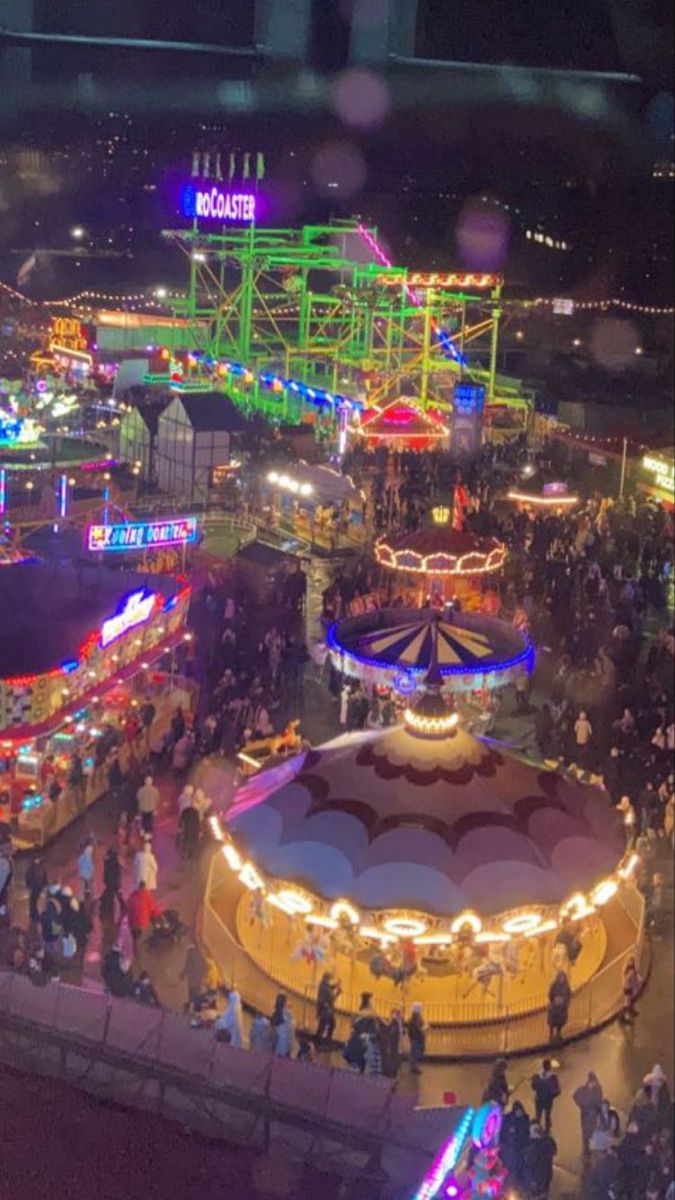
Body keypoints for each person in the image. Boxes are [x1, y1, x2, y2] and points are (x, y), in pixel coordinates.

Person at [500, 1100, 531, 1188]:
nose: (519, 1113)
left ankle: (516, 1183)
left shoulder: (525, 1119)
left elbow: (526, 1133)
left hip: (519, 1148)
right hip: (510, 1148)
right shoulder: (508, 1119)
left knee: (518, 1166)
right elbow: (503, 1132)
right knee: (509, 1167)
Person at [573, 1071, 604, 1157]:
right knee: (586, 1130)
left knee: (590, 1130)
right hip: (587, 1112)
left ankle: (588, 1148)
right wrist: (581, 1104)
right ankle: (586, 1149)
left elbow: (599, 1100)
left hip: (591, 1112)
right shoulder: (584, 1088)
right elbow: (575, 1095)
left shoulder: (597, 1088)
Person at [522, 1123, 556, 1198]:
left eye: (531, 1133)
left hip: (536, 1179)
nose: (530, 1134)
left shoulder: (534, 1147)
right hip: (545, 1178)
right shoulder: (547, 1143)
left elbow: (531, 1164)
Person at [126, 880, 161, 947]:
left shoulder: (132, 896)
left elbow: (128, 910)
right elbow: (153, 910)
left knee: (136, 942)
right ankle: (142, 956)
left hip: (133, 926)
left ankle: (136, 955)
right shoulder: (147, 896)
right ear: (144, 887)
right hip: (143, 924)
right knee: (143, 943)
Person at [531, 1058, 561, 1132]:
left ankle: (538, 1130)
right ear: (549, 1067)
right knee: (546, 1115)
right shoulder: (553, 1077)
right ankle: (546, 1131)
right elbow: (558, 1090)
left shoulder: (537, 1076)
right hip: (547, 1100)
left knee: (539, 1115)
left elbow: (533, 1087)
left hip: (539, 1099)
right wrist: (552, 1095)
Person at [180, 941, 207, 1012]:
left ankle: (189, 1006)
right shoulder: (200, 956)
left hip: (192, 981)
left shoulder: (190, 957)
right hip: (198, 981)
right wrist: (203, 976)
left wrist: (182, 975)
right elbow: (204, 967)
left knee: (191, 993)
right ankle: (196, 1007)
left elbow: (187, 967)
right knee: (196, 993)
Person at [316, 971, 341, 1045]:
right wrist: (338, 993)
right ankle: (324, 1041)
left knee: (322, 1025)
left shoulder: (323, 984)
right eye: (329, 978)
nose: (330, 980)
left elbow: (329, 987)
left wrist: (335, 985)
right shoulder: (325, 988)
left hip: (323, 1009)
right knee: (331, 1024)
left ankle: (319, 1040)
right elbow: (332, 998)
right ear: (327, 978)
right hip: (326, 1010)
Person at [547, 970, 572, 1041]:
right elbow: (550, 994)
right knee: (552, 1022)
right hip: (554, 1007)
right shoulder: (554, 985)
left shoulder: (566, 986)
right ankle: (551, 1034)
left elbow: (568, 995)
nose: (562, 979)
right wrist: (554, 1001)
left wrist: (564, 1002)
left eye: (563, 977)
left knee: (560, 1022)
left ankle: (558, 1034)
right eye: (560, 977)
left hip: (562, 1008)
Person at [270, 993, 294, 1057]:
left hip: (278, 1050)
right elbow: (290, 1034)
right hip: (284, 1050)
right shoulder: (288, 1016)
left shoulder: (275, 1014)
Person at [25, 855, 47, 924]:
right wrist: (29, 887)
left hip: (37, 887)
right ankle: (34, 913)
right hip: (35, 887)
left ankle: (33, 913)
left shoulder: (39, 867)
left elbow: (44, 876)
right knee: (33, 900)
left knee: (34, 900)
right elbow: (28, 878)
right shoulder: (33, 868)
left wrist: (44, 884)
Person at [407, 1002, 426, 1075]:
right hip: (416, 1037)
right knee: (415, 1052)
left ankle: (413, 1065)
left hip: (415, 1037)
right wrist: (424, 1028)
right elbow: (418, 1029)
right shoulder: (415, 1019)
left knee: (414, 1051)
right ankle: (414, 1067)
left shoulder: (416, 1017)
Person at [620, 956, 641, 1022]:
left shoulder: (633, 968)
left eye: (633, 961)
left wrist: (638, 978)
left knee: (631, 999)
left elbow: (636, 974)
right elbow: (626, 980)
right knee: (626, 1003)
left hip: (631, 987)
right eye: (630, 961)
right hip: (627, 987)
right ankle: (621, 1017)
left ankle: (631, 1010)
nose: (632, 962)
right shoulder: (627, 970)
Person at [77, 837, 95, 903]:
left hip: (82, 874)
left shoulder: (82, 857)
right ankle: (88, 891)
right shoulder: (88, 858)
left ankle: (86, 891)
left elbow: (79, 863)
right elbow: (90, 866)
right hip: (87, 874)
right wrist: (92, 870)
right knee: (88, 882)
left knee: (84, 883)